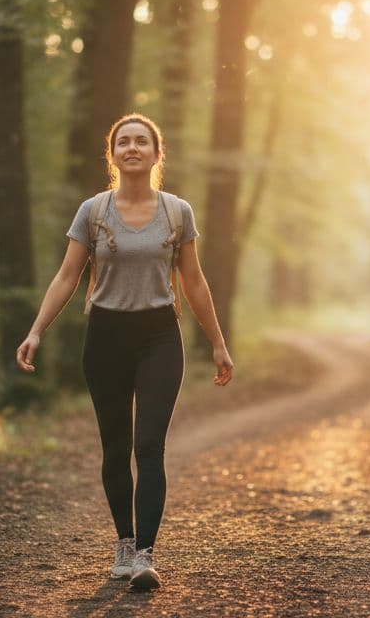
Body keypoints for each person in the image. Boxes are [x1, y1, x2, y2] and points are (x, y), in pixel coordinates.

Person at [16, 113, 235, 591]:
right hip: (106, 337)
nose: (132, 148)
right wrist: (36, 331)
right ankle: (123, 540)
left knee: (149, 445)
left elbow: (193, 282)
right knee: (115, 447)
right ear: (112, 154)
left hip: (159, 335)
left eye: (141, 141)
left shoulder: (177, 212)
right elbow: (67, 276)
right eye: (123, 142)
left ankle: (145, 556)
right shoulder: (93, 212)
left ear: (157, 154)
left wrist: (218, 343)